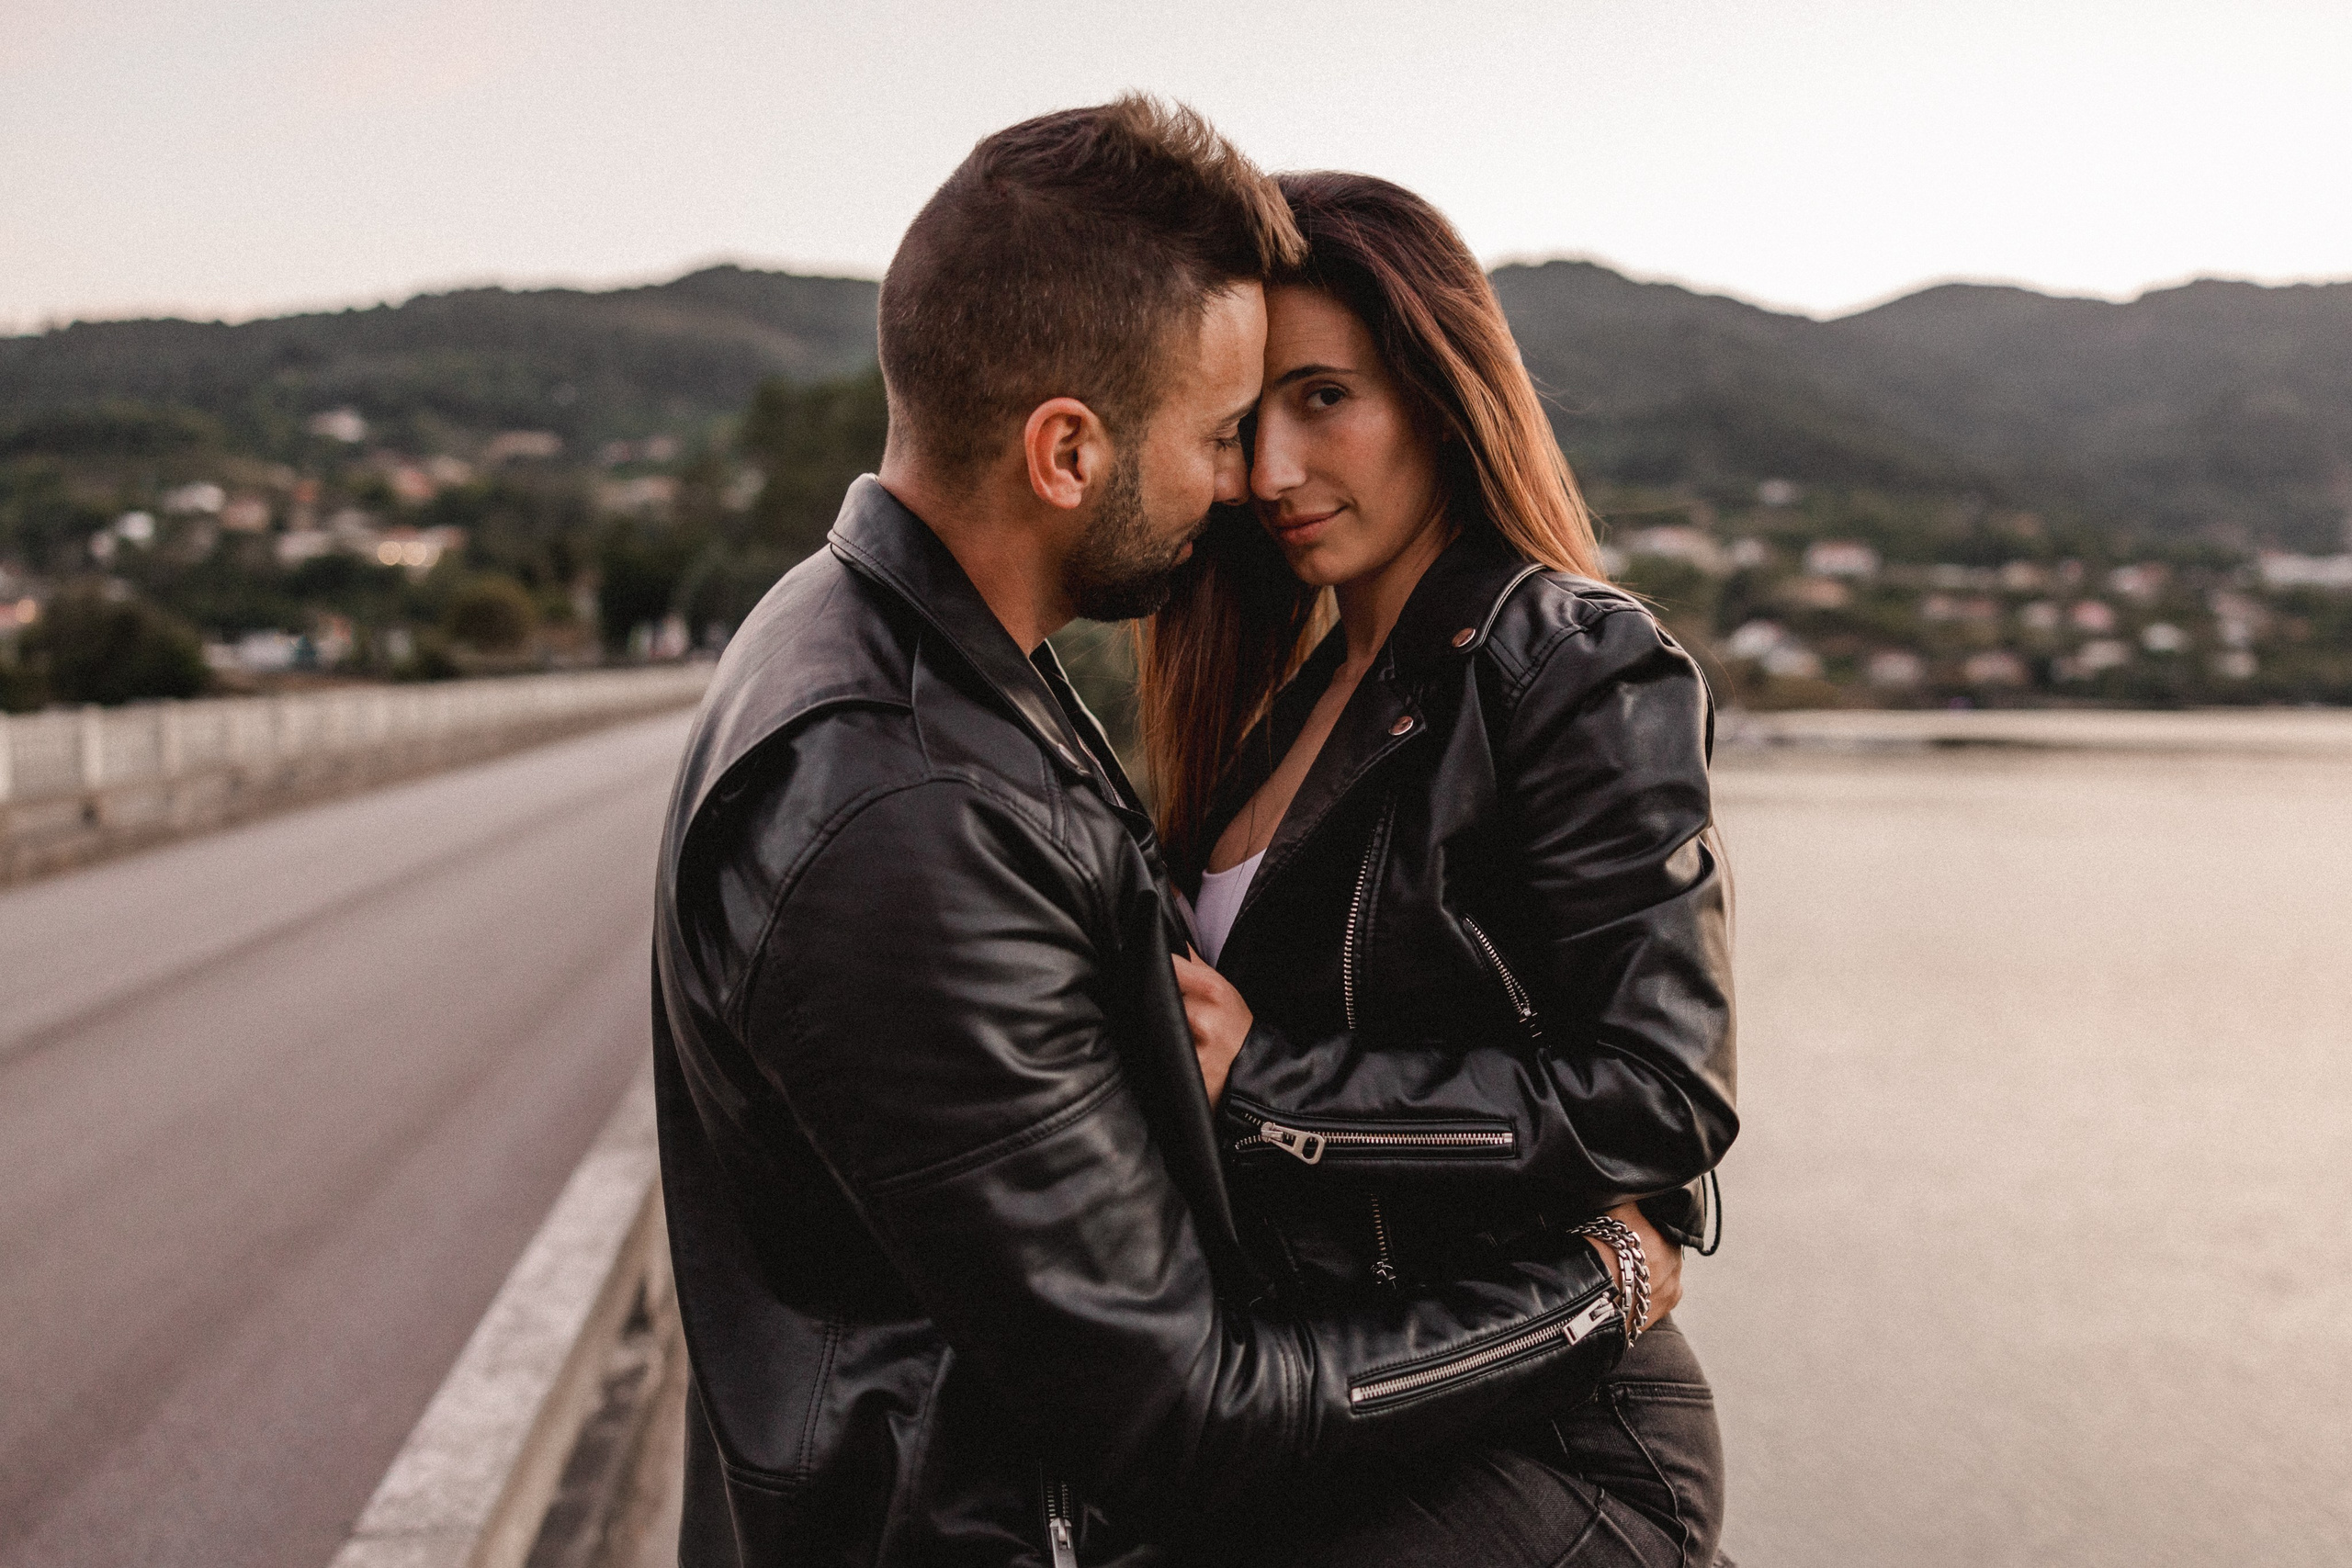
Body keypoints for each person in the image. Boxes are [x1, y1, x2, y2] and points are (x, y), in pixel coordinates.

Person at [651, 101, 1671, 1568]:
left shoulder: (892, 664)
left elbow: (1653, 1080)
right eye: (1219, 432)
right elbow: (1179, 1413)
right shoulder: (913, 801)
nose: (1246, 481)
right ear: (1068, 451)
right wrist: (1598, 1287)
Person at [1142, 172, 1739, 1566]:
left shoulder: (1577, 664)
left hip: (1552, 1440)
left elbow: (1664, 1095)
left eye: (1324, 399)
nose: (1272, 472)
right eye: (1248, 420)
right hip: (1335, 1408)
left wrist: (1274, 1085)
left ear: (1439, 390)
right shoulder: (1285, 704)